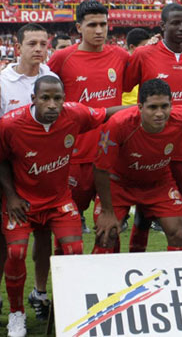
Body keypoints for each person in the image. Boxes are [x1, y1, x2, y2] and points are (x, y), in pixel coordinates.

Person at [0, 75, 112, 337]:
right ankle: (17, 314)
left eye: (58, 98)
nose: (52, 104)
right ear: (33, 99)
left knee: (73, 250)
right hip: (22, 203)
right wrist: (11, 196)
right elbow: (1, 160)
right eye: (45, 98)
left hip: (59, 201)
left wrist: (143, 110)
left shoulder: (74, 114)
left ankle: (68, 308)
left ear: (65, 99)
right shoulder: (9, 124)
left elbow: (107, 112)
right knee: (15, 253)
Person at [124, 3, 182, 252]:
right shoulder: (144, 54)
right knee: (144, 209)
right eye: (176, 23)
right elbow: (126, 88)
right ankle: (135, 260)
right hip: (148, 145)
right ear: (163, 26)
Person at [48, 0, 129, 235]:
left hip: (111, 152)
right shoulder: (62, 58)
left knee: (109, 229)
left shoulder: (121, 56)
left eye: (103, 24)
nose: (99, 30)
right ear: (78, 28)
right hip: (74, 154)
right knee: (66, 231)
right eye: (92, 25)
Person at [93, 78, 182, 253]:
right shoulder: (119, 124)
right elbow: (100, 169)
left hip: (159, 184)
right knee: (106, 236)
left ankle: (175, 279)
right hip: (119, 185)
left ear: (172, 104)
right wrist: (108, 212)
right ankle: (111, 278)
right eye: (152, 107)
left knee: (178, 233)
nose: (159, 113)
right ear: (140, 107)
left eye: (164, 106)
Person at [0, 23, 58, 321]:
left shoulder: (52, 78)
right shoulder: (3, 81)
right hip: (8, 173)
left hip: (42, 174)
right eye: (32, 43)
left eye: (43, 43)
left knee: (44, 235)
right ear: (17, 47)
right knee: (6, 241)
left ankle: (39, 291)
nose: (38, 48)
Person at [121, 28, 151, 106]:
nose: (148, 49)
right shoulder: (121, 63)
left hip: (141, 108)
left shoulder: (147, 63)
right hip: (123, 109)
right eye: (145, 46)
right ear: (132, 47)